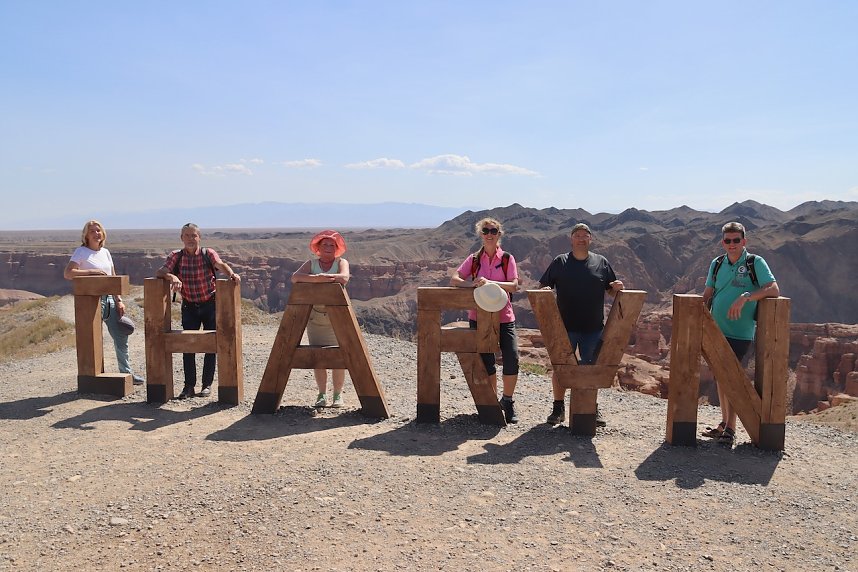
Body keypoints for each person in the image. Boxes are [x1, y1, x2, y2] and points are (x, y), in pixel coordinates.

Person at [701, 221, 779, 445]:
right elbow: (708, 293)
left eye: (736, 240)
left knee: (731, 379)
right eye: (728, 240)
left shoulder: (755, 263)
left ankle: (731, 429)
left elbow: (773, 289)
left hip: (740, 333)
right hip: (716, 330)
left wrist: (746, 296)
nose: (732, 244)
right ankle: (724, 424)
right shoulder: (717, 264)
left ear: (744, 241)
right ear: (722, 243)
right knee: (721, 378)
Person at [539, 223, 624, 426]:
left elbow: (610, 290)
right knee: (561, 369)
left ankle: (591, 408)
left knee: (591, 369)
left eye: (585, 235)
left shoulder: (601, 262)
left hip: (593, 328)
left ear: (590, 239)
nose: (581, 239)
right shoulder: (560, 262)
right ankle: (558, 408)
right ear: (571, 239)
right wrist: (545, 294)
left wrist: (616, 288)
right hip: (564, 328)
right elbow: (543, 286)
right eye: (577, 235)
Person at [155, 223, 240, 399]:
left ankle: (206, 385)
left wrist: (231, 274)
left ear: (199, 237)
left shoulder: (208, 253)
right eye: (187, 236)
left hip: (210, 304)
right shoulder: (176, 256)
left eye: (193, 235)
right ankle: (189, 386)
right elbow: (160, 271)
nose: (190, 239)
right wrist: (172, 276)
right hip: (189, 307)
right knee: (188, 345)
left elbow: (219, 264)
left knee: (212, 345)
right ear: (181, 238)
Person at [450, 217, 521, 423]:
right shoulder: (473, 259)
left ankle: (507, 400)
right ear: (481, 234)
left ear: (499, 234)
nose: (490, 234)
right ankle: (491, 403)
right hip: (478, 316)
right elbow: (454, 280)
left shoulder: (507, 258)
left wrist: (490, 282)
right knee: (486, 361)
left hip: (504, 316)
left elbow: (514, 286)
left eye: (494, 231)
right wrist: (471, 284)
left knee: (512, 357)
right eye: (486, 231)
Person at [64, 220, 145, 385]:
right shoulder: (81, 252)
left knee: (121, 335)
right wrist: (91, 272)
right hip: (91, 301)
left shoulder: (106, 252)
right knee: (92, 339)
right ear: (86, 235)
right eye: (92, 231)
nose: (96, 233)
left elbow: (113, 277)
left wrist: (119, 299)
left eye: (98, 230)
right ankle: (91, 376)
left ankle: (127, 373)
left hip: (110, 299)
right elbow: (68, 273)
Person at [291, 230, 351, 408]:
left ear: (337, 248)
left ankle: (338, 395)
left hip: (337, 317)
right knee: (319, 357)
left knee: (338, 357)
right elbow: (295, 278)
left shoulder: (341, 262)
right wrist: (317, 279)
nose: (328, 247)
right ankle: (322, 394)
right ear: (318, 247)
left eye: (332, 245)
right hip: (316, 317)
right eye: (325, 244)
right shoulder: (311, 264)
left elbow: (345, 278)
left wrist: (325, 278)